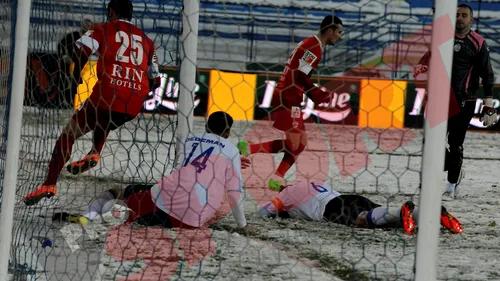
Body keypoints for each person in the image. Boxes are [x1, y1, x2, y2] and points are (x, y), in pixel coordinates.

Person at [24, 0, 159, 206]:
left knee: (68, 134)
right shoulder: (148, 41)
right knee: (104, 117)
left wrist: (77, 76)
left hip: (106, 96)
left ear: (111, 11)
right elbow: (156, 80)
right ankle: (95, 152)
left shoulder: (101, 29)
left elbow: (81, 55)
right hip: (133, 105)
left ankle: (49, 183)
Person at [52, 112, 251, 230]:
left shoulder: (189, 139)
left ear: (206, 125)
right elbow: (234, 195)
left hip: (169, 199)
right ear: (228, 133)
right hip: (194, 220)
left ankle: (88, 216)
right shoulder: (231, 150)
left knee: (118, 192)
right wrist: (243, 226)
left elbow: (182, 171)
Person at [237, 15, 343, 191]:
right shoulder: (314, 46)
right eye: (339, 32)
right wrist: (316, 93)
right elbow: (301, 74)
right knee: (294, 144)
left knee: (300, 144)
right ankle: (250, 149)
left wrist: (312, 93)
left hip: (291, 95)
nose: (340, 36)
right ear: (330, 30)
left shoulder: (311, 43)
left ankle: (276, 177)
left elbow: (301, 74)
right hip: (287, 95)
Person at [414, 4, 496, 200]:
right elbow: (426, 60)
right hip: (438, 99)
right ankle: (442, 170)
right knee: (430, 142)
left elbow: (487, 74)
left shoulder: (478, 42)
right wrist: (422, 68)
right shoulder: (441, 38)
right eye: (457, 15)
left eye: (464, 15)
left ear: (471, 20)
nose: (459, 18)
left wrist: (489, 105)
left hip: (464, 101)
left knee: (456, 144)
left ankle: (450, 187)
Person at [258, 180, 463, 235]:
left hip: (332, 208)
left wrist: (282, 210)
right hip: (348, 197)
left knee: (362, 220)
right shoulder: (312, 182)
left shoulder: (285, 194)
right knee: (390, 222)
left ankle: (404, 209)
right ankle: (430, 213)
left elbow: (263, 212)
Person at [57, 16, 94, 107]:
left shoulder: (92, 39)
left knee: (79, 84)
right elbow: (61, 45)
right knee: (67, 83)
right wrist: (64, 56)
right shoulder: (72, 36)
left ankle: (75, 102)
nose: (87, 29)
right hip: (69, 64)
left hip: (83, 66)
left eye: (89, 27)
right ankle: (64, 102)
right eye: (86, 26)